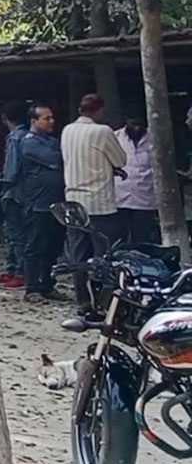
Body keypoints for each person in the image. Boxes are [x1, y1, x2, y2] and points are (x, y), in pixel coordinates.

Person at [61, 94, 127, 309]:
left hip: (73, 201)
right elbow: (120, 159)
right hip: (99, 202)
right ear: (99, 110)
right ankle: (102, 300)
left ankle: (82, 300)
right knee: (103, 254)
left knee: (78, 253)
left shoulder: (67, 130)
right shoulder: (102, 131)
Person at [17, 104, 70, 304]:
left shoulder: (52, 141)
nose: (51, 122)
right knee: (35, 246)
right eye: (46, 118)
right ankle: (32, 288)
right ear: (34, 121)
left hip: (57, 204)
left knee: (53, 246)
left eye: (51, 118)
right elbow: (57, 158)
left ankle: (47, 285)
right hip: (38, 203)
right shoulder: (29, 143)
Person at [0, 100, 29, 289]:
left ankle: (18, 271)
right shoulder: (27, 135)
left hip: (14, 191)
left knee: (15, 232)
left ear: (4, 118)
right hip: (25, 190)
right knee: (17, 231)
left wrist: (3, 180)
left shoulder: (15, 138)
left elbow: (12, 170)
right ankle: (15, 269)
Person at [115, 105, 157, 244]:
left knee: (142, 241)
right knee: (120, 242)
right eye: (133, 124)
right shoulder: (116, 137)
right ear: (126, 120)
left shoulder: (155, 138)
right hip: (120, 199)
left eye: (140, 124)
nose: (137, 128)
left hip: (145, 200)